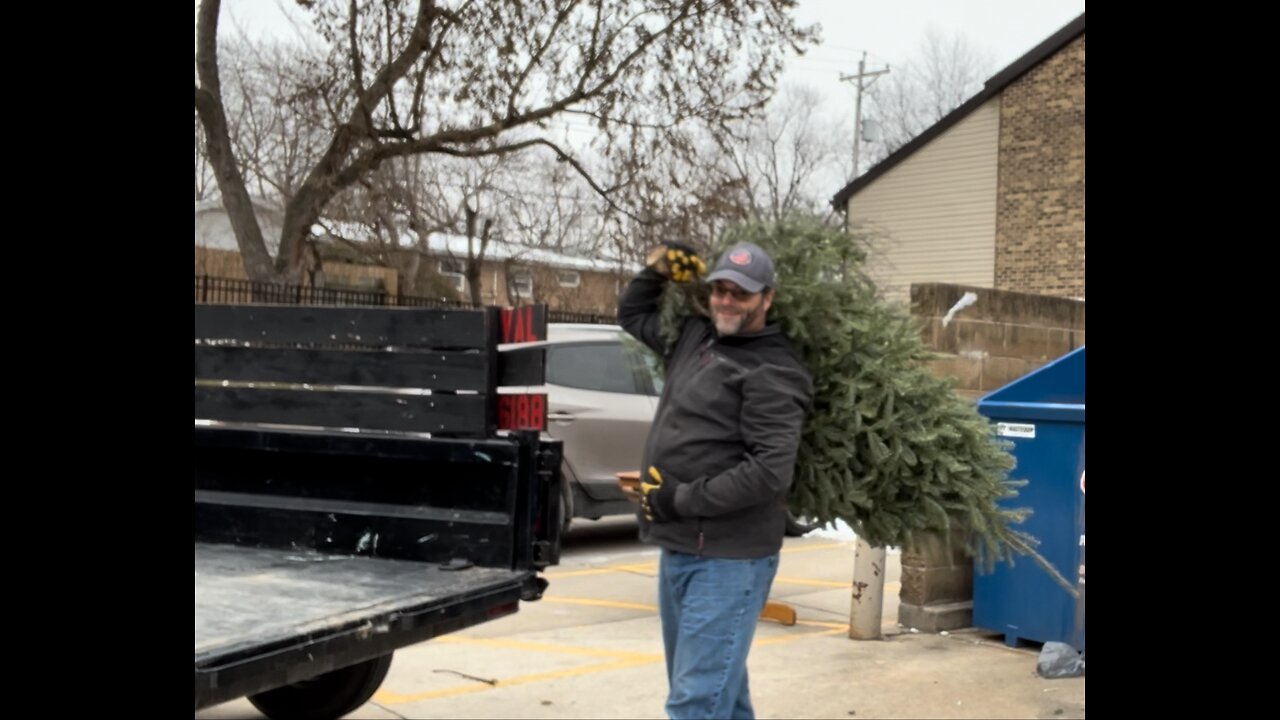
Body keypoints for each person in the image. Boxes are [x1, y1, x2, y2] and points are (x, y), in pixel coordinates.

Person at [617, 240, 813, 720]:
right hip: (681, 547)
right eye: (719, 290)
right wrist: (656, 270)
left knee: (695, 702)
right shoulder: (695, 338)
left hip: (729, 559)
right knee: (720, 695)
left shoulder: (775, 368)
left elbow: (769, 472)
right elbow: (632, 315)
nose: (726, 301)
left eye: (740, 294)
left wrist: (679, 499)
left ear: (766, 298)